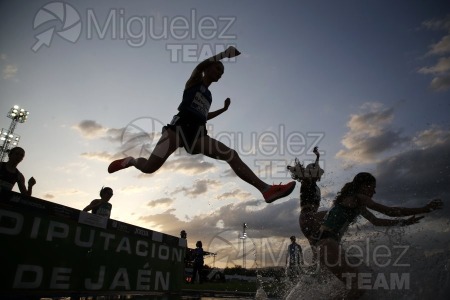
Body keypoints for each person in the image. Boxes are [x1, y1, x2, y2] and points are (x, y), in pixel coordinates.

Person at [108, 46, 295, 203]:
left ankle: (266, 190)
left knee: (231, 154)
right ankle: (130, 161)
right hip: (177, 129)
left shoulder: (209, 95)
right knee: (149, 167)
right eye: (217, 70)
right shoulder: (194, 82)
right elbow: (199, 66)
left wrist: (224, 110)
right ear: (208, 68)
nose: (219, 74)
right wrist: (224, 54)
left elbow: (203, 116)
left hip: (197, 135)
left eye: (222, 73)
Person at [315, 172, 443, 299]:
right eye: (372, 187)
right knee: (359, 284)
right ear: (363, 186)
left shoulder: (355, 203)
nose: (374, 192)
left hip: (327, 246)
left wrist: (403, 222)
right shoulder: (357, 197)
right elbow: (389, 211)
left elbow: (377, 221)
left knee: (367, 276)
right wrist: (424, 209)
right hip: (327, 245)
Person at [287, 147, 326, 246]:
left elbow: (313, 168)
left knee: (318, 248)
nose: (319, 175)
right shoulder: (307, 182)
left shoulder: (313, 184)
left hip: (309, 218)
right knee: (331, 214)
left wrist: (317, 156)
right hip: (308, 217)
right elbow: (306, 174)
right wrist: (295, 169)